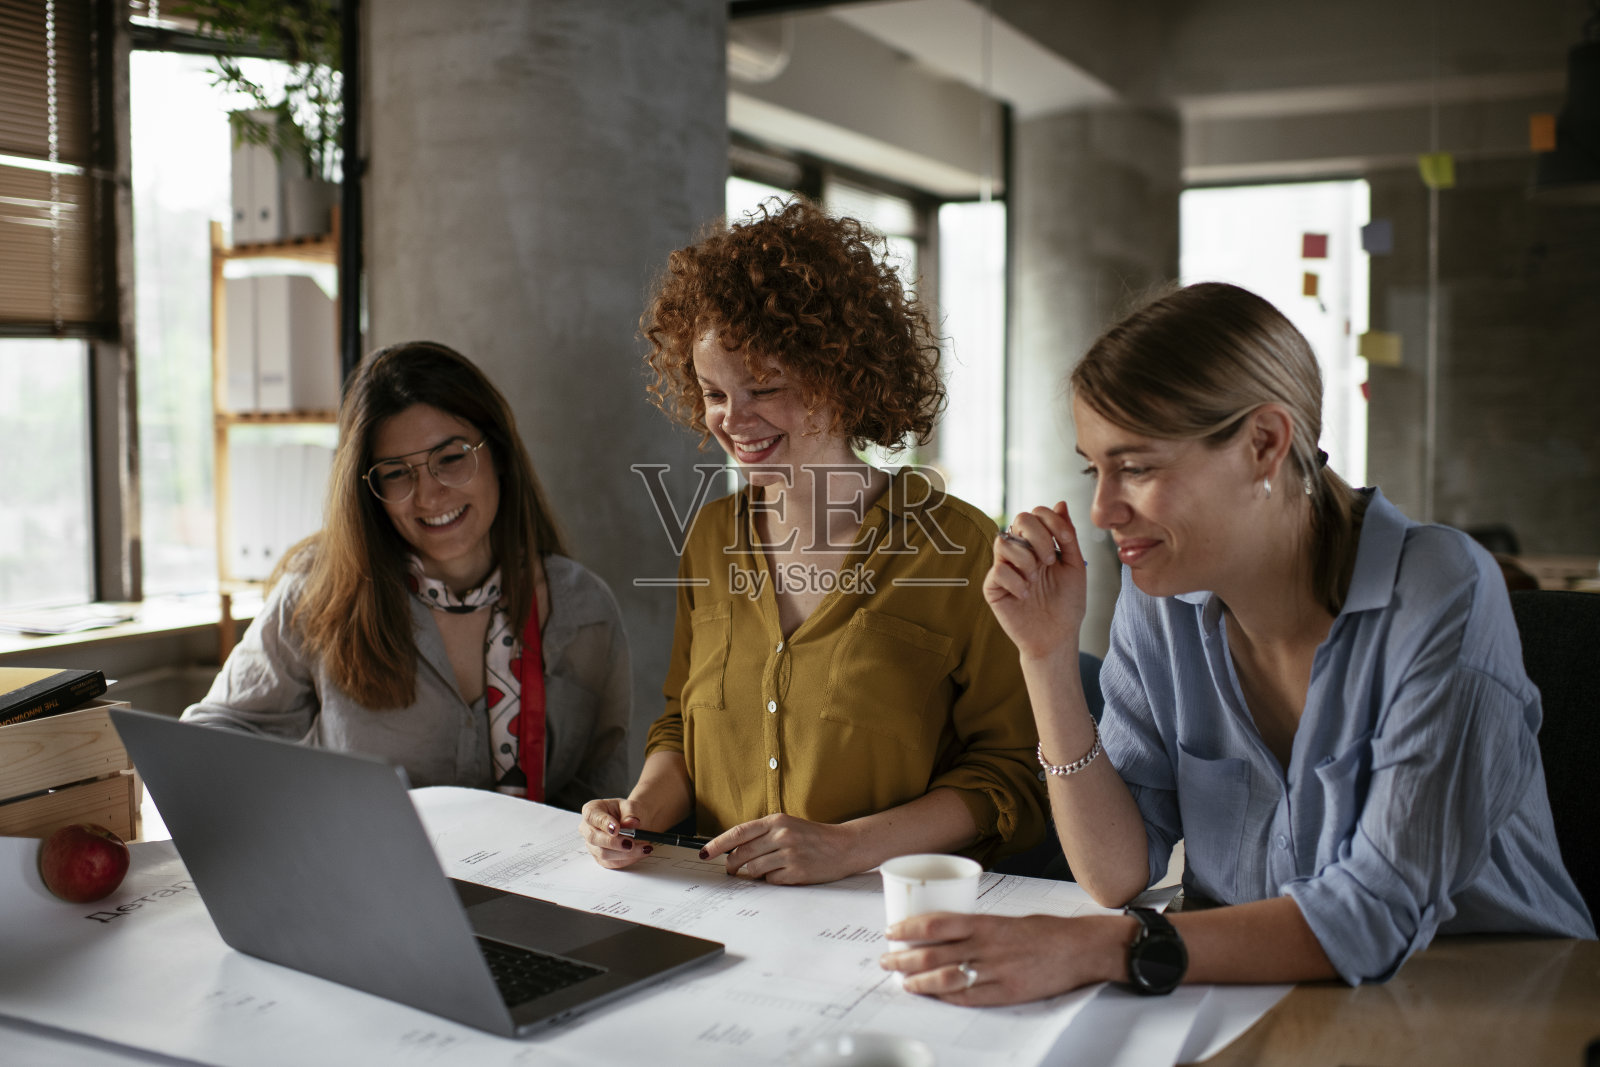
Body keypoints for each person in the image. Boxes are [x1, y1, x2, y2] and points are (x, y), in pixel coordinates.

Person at [882, 282, 1594, 1002]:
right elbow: (1116, 871)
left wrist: (1094, 946)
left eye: (1137, 467)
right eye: (1093, 469)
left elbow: (1375, 911)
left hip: (1486, 998)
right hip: (1249, 994)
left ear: (1264, 444)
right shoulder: (1161, 600)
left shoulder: (1442, 592)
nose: (1102, 509)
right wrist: (1046, 656)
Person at [578, 198, 1047, 884]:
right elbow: (681, 724)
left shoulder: (959, 547)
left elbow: (1011, 775)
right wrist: (639, 809)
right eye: (713, 393)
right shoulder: (711, 537)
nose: (733, 420)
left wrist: (849, 845)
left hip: (883, 916)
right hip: (726, 909)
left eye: (764, 387)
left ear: (843, 377)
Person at [184, 341, 631, 810]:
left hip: (536, 882)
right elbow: (208, 740)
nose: (429, 496)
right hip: (365, 879)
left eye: (452, 458)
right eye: (396, 473)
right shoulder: (321, 592)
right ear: (370, 490)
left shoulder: (584, 608)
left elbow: (601, 789)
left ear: (497, 454)